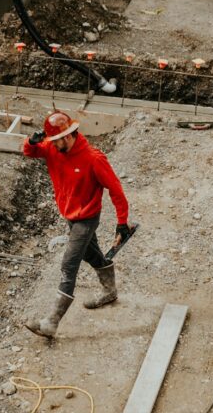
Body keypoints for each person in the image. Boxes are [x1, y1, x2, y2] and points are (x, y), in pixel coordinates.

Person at [22, 110, 135, 338]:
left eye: (56, 140)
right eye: (50, 141)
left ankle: (51, 323)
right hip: (70, 216)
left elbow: (116, 190)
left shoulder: (93, 159)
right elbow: (30, 152)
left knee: (69, 264)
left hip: (87, 219)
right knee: (89, 254)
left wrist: (122, 223)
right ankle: (110, 290)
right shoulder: (53, 149)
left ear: (69, 135)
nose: (51, 145)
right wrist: (30, 142)